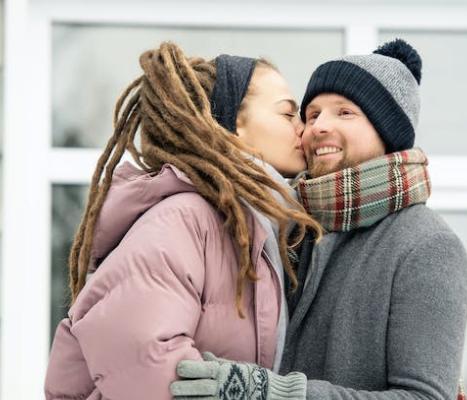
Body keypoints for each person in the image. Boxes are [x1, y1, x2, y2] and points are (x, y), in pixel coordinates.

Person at [171, 38, 467, 400]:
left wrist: (280, 394)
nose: (317, 128)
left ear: (387, 131)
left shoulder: (426, 245)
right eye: (311, 115)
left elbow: (425, 396)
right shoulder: (283, 229)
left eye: (344, 113)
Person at [44, 41, 321, 400]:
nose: (303, 129)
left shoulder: (253, 226)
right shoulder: (185, 218)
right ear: (234, 123)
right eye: (287, 114)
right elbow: (143, 357)